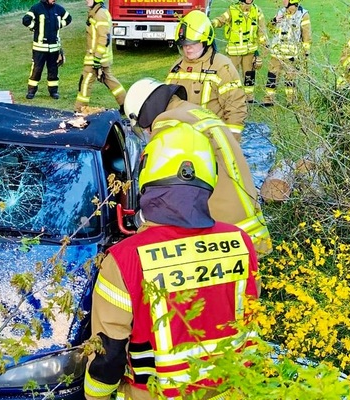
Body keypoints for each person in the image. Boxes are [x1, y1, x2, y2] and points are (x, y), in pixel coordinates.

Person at [83, 122, 260, 400]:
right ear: (209, 181)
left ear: (147, 180)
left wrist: (96, 397)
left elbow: (109, 354)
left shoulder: (125, 260)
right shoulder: (241, 242)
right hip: (234, 390)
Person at [124, 77, 271, 257]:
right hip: (248, 224)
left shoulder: (172, 127)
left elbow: (172, 193)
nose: (147, 132)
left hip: (225, 236)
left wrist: (144, 219)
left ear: (144, 112)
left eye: (143, 126)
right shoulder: (192, 113)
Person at [165, 10, 247, 140]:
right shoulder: (177, 67)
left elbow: (236, 110)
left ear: (206, 41)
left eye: (193, 43)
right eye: (184, 44)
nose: (188, 48)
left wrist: (229, 146)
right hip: (180, 140)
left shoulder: (222, 67)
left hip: (211, 143)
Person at [211, 0, 269, 105]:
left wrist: (265, 45)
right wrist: (212, 23)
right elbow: (222, 19)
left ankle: (249, 98)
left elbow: (261, 30)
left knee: (249, 75)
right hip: (234, 50)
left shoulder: (257, 11)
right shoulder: (232, 9)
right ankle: (232, 98)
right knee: (231, 75)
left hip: (250, 50)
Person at [74, 0, 126, 112]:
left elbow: (103, 38)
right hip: (99, 56)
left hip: (96, 57)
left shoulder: (100, 14)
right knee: (109, 79)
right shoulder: (96, 11)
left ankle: (79, 109)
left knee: (86, 82)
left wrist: (97, 58)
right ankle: (124, 104)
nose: (86, 0)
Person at [22, 0, 72, 99]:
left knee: (53, 70)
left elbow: (68, 18)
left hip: (54, 48)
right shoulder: (36, 8)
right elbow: (25, 20)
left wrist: (59, 25)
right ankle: (31, 91)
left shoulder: (59, 9)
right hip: (39, 47)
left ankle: (53, 91)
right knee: (36, 70)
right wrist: (35, 27)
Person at [265, 0, 311, 106]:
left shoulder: (303, 15)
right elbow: (270, 27)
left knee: (290, 78)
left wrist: (305, 53)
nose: (282, 1)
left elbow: (307, 36)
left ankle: (291, 101)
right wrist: (274, 20)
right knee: (272, 75)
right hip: (277, 53)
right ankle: (268, 99)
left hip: (291, 54)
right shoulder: (281, 11)